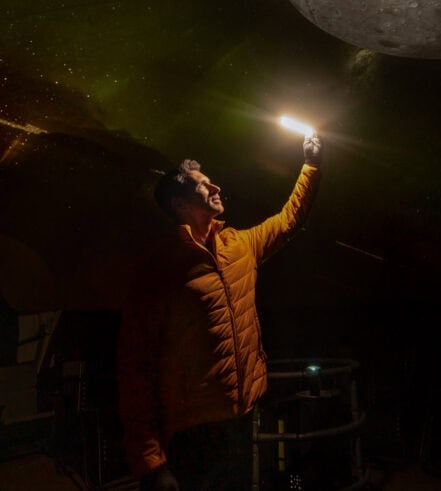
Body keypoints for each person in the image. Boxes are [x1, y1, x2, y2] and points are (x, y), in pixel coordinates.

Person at [118, 134, 323, 491]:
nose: (215, 186)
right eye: (202, 185)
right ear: (181, 205)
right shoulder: (161, 272)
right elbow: (136, 368)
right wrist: (150, 462)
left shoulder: (238, 246)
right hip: (192, 433)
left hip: (242, 417)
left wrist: (311, 165)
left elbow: (289, 220)